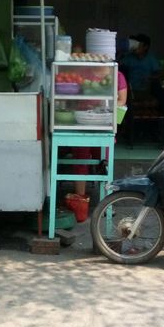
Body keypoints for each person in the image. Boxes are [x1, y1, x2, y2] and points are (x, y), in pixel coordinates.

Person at [67, 68, 128, 220]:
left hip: (105, 124)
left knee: (104, 163)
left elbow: (122, 100)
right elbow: (75, 97)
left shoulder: (117, 75)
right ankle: (80, 203)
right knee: (80, 162)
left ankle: (107, 203)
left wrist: (103, 108)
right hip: (82, 123)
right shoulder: (83, 73)